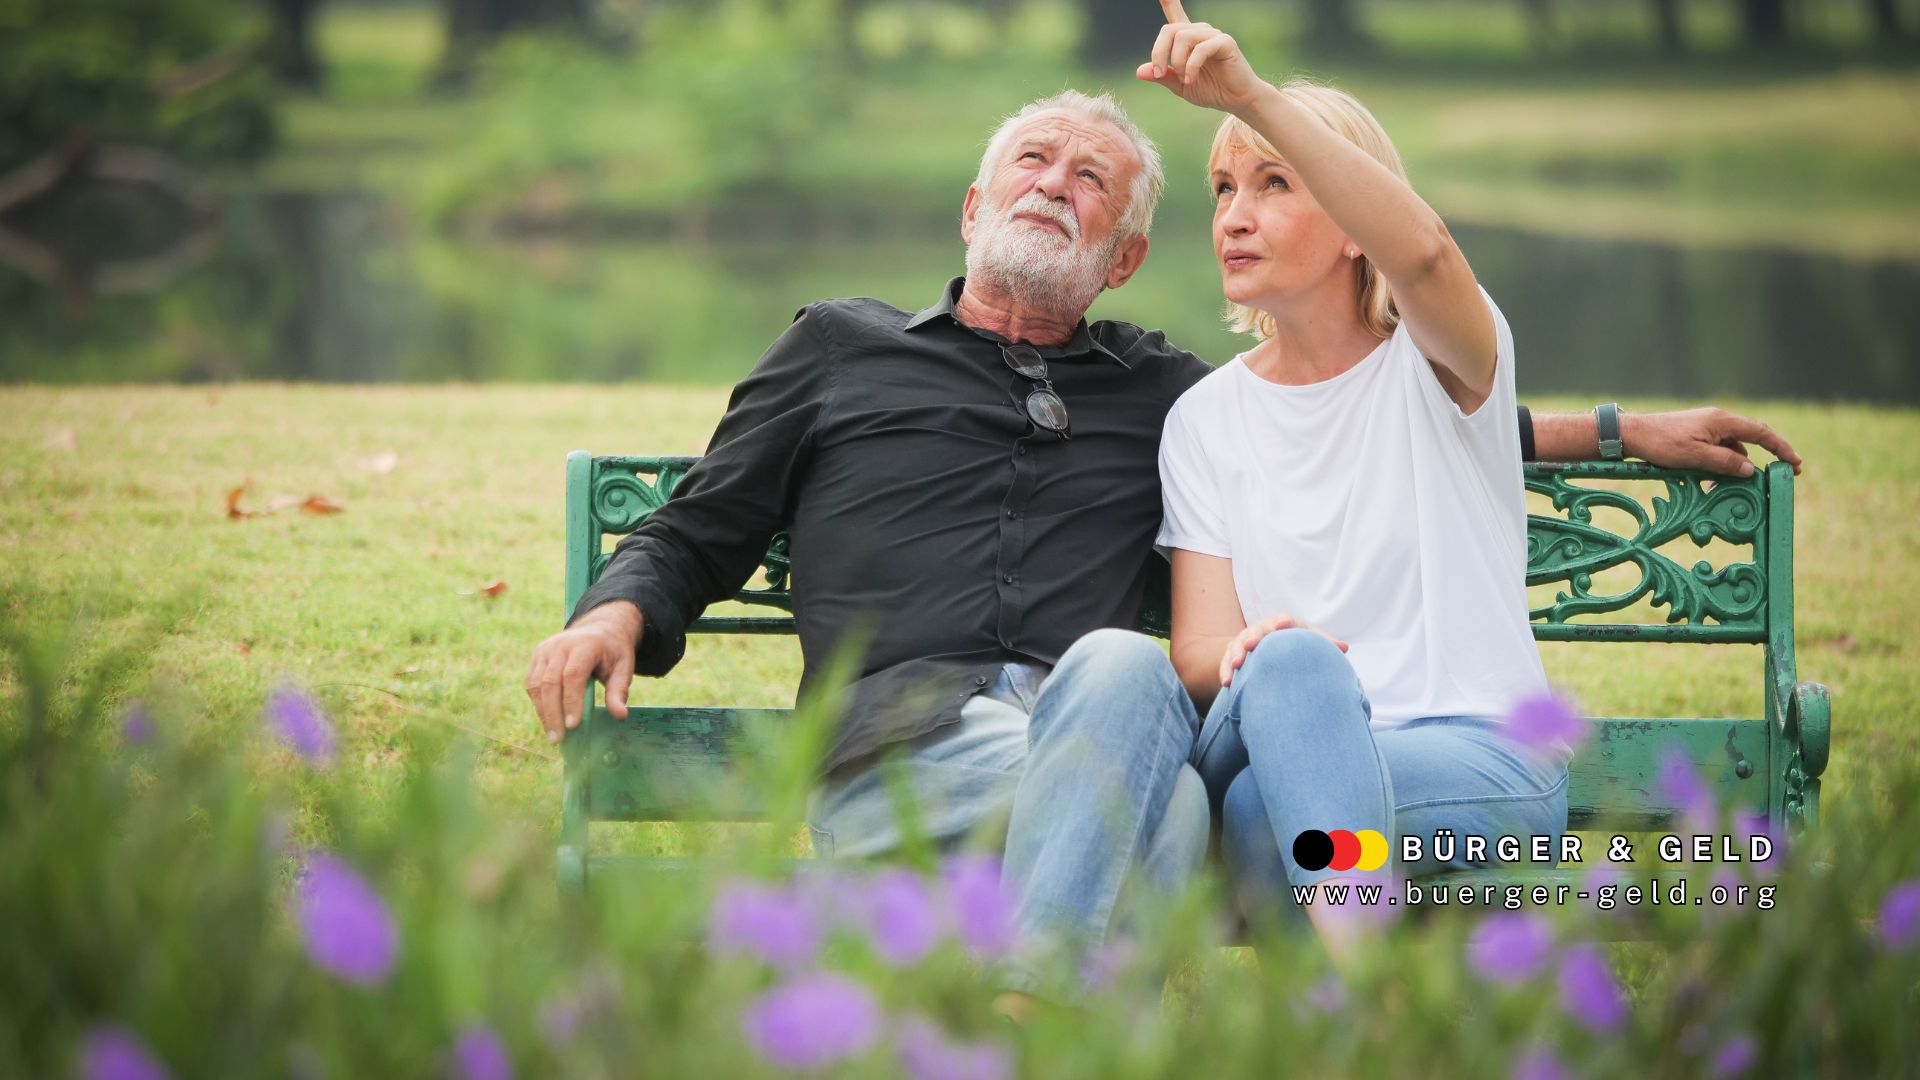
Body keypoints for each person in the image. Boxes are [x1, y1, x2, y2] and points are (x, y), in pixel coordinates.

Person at [525, 81, 1799, 992]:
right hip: (916, 760)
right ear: (974, 203)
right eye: (1031, 161)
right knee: (1186, 758)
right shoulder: (840, 349)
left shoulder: (1165, 396)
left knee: (1163, 701)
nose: (1052, 185)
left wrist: (1614, 428)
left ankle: (1086, 999)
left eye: (1091, 180)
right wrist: (614, 609)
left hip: (1186, 781)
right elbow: (704, 521)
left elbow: (1392, 404)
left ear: (1125, 256)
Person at [1136, 5, 1796, 963]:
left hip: (1480, 770)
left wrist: (1251, 99)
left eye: (1275, 182)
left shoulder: (1443, 370)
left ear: (1356, 223)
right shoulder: (1204, 420)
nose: (1235, 214)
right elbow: (1199, 652)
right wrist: (1263, 656)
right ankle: (1377, 1023)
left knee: (1266, 815)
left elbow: (1427, 254)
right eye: (1224, 186)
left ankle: (1357, 1020)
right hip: (1304, 764)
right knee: (1294, 687)